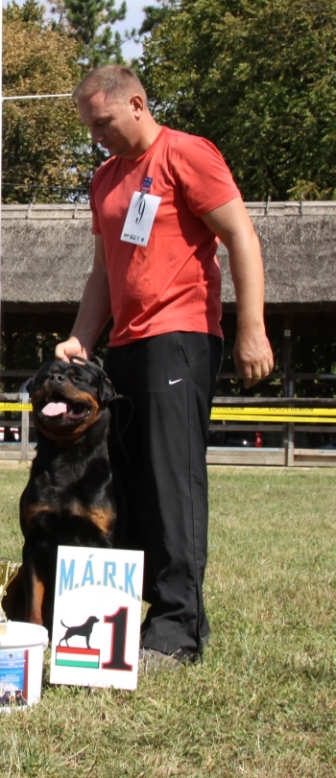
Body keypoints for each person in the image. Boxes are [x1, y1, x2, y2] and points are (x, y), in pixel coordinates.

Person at [56, 65, 274, 668]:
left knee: (170, 478)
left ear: (137, 103)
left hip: (179, 337)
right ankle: (125, 619)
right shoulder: (104, 178)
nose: (96, 135)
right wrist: (80, 337)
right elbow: (103, 270)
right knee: (126, 481)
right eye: (88, 127)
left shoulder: (188, 154)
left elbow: (241, 237)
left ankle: (178, 628)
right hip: (124, 346)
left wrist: (251, 329)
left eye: (102, 122)